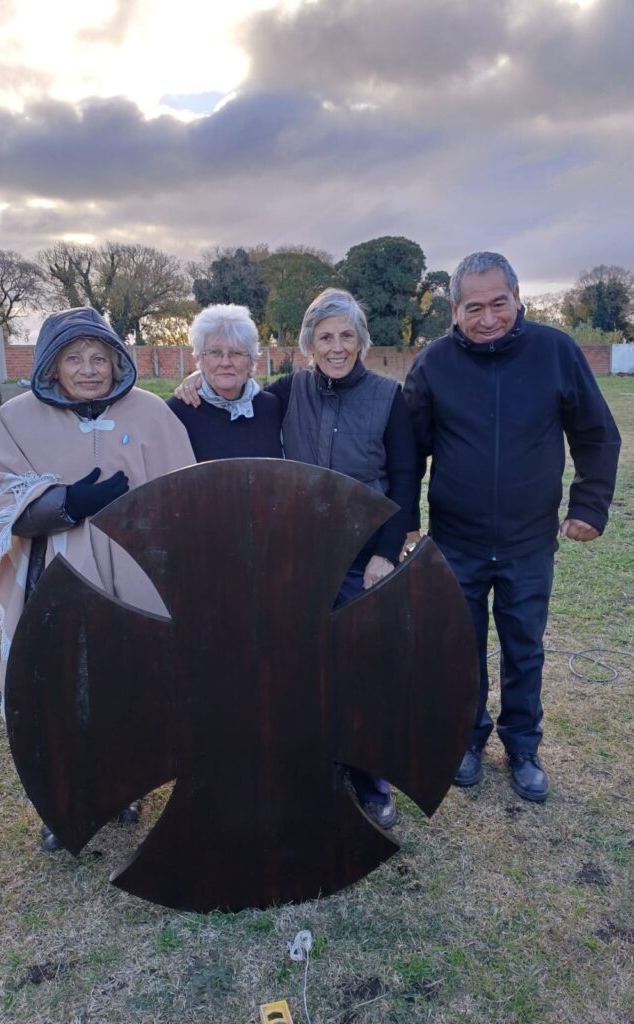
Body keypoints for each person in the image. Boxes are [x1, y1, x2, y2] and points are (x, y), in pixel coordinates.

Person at [175, 288, 419, 828]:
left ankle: (369, 778)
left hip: (360, 558)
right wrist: (196, 382)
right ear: (308, 344)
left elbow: (406, 479)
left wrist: (385, 553)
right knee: (295, 666)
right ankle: (306, 761)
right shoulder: (286, 393)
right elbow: (232, 392)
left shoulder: (388, 397)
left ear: (361, 340)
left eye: (346, 336)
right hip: (298, 559)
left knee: (358, 666)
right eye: (324, 337)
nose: (336, 347)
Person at [0, 306, 196, 848]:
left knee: (131, 680)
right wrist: (64, 502)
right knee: (61, 686)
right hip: (60, 577)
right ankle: (62, 801)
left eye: (99, 357)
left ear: (117, 360)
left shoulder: (151, 414)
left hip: (139, 573)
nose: (89, 369)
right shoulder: (15, 419)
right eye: (75, 358)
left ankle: (128, 785)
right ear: (52, 365)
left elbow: (189, 490)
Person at [403, 252, 620, 802]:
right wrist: (406, 524)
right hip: (458, 541)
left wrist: (589, 507)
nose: (488, 317)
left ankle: (523, 746)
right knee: (463, 646)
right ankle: (468, 739)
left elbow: (596, 435)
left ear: (518, 297)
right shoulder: (433, 365)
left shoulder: (556, 352)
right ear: (454, 311)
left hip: (529, 541)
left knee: (525, 646)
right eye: (473, 307)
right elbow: (409, 451)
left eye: (499, 302)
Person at [167, 304, 282, 459]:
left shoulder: (272, 407)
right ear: (200, 358)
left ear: (251, 359)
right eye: (215, 353)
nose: (225, 362)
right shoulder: (176, 413)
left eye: (236, 353)